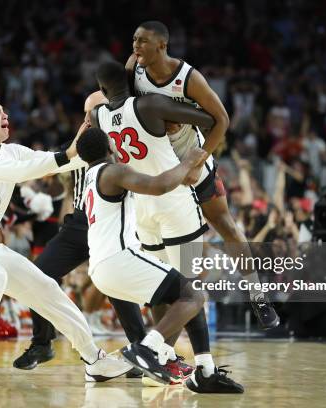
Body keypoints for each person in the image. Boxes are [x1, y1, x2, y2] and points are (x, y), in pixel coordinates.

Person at [0, 91, 131, 386]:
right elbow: (24, 171)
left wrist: (90, 144)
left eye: (4, 110)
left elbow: (57, 161)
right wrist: (68, 153)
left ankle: (93, 359)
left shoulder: (9, 151)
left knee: (45, 287)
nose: (5, 115)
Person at [126, 21, 278, 329]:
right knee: (164, 260)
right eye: (134, 40)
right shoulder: (134, 70)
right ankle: (164, 344)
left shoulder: (188, 77)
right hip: (160, 171)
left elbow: (221, 120)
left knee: (226, 225)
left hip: (191, 163)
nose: (136, 46)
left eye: (142, 41)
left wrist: (199, 159)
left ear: (162, 45)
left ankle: (257, 294)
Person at [76, 127, 244, 393]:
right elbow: (159, 186)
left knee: (185, 293)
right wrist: (188, 161)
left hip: (103, 269)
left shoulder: (89, 178)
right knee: (194, 295)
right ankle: (148, 348)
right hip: (120, 260)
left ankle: (205, 370)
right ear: (109, 148)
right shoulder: (112, 172)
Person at [89, 60, 224, 385]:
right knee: (191, 289)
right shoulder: (150, 103)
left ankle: (171, 358)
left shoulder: (98, 117)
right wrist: (175, 118)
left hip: (142, 208)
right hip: (173, 200)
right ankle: (200, 367)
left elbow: (96, 113)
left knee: (162, 292)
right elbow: (209, 118)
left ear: (103, 90)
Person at [13, 92, 147, 374]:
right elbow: (50, 174)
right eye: (86, 113)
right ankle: (42, 342)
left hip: (111, 226)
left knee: (117, 287)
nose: (88, 118)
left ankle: (142, 351)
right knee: (38, 275)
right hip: (78, 225)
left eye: (94, 111)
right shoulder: (76, 145)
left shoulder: (127, 144)